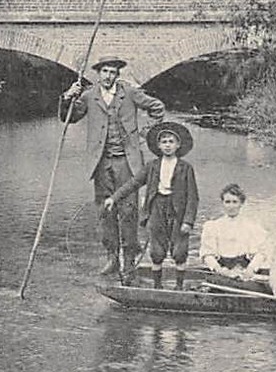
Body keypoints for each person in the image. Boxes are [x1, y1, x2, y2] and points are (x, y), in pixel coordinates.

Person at [60, 57, 166, 281]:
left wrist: (148, 134)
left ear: (118, 75)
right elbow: (68, 118)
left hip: (127, 162)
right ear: (98, 73)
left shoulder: (129, 93)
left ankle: (129, 262)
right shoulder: (89, 95)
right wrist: (68, 97)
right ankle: (112, 257)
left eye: (113, 72)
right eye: (105, 72)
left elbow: (157, 107)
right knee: (105, 211)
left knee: (128, 211)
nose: (108, 76)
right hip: (101, 163)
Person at [106, 122, 199, 288]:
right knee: (157, 248)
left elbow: (193, 197)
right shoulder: (152, 166)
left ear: (178, 145)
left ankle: (179, 286)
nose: (168, 145)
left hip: (178, 210)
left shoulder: (186, 168)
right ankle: (157, 286)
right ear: (158, 146)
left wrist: (188, 221)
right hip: (156, 207)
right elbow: (133, 183)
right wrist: (114, 198)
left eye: (171, 141)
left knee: (179, 249)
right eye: (164, 142)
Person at [198, 184, 267, 281]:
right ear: (222, 203)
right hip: (222, 271)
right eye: (227, 202)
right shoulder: (213, 226)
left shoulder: (251, 226)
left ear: (241, 204)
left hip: (244, 271)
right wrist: (219, 269)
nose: (231, 206)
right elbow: (207, 254)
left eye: (235, 202)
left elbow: (261, 253)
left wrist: (250, 269)